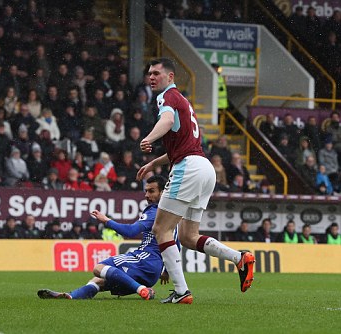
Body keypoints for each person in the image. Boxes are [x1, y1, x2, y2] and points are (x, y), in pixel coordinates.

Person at [136, 58, 255, 304]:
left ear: (170, 77)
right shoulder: (182, 102)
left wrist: (148, 138)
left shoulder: (167, 97)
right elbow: (179, 146)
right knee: (189, 236)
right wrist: (153, 164)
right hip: (203, 168)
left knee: (161, 229)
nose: (152, 77)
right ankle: (239, 258)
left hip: (188, 168)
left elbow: (166, 121)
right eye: (149, 73)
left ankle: (181, 292)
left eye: (157, 73)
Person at [37, 175, 169, 300]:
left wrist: (106, 220)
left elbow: (130, 231)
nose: (147, 195)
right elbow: (175, 243)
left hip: (145, 260)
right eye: (146, 191)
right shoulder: (173, 215)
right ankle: (72, 296)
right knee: (99, 281)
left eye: (151, 191)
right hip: (154, 271)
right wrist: (166, 270)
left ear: (163, 192)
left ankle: (141, 290)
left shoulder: (153, 211)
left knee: (98, 268)